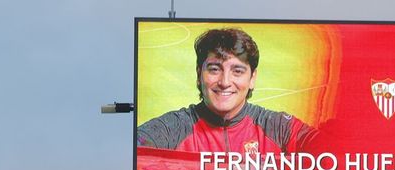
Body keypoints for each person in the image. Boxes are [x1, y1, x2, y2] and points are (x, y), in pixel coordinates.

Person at [136, 27, 317, 158]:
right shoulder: (172, 128)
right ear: (199, 74)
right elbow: (134, 153)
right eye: (215, 69)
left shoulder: (278, 128)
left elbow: (334, 151)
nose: (224, 82)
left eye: (237, 71)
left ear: (252, 78)